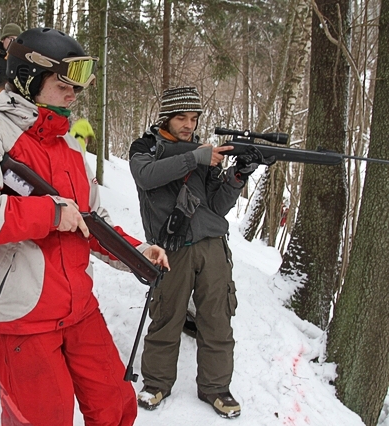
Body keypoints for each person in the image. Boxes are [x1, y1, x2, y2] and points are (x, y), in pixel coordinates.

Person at [0, 28, 170, 426]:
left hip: (79, 305)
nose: (72, 96)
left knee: (115, 405)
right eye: (63, 85)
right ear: (28, 78)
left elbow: (91, 221)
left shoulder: (70, 147)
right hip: (23, 313)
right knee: (45, 418)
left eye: (76, 88)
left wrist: (137, 252)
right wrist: (49, 213)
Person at [129, 86, 264, 418]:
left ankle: (215, 388)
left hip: (213, 246)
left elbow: (217, 205)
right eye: (181, 118)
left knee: (217, 320)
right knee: (167, 317)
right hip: (171, 249)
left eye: (193, 118)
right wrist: (196, 157)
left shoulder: (203, 152)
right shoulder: (146, 148)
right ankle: (156, 383)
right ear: (166, 118)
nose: (188, 125)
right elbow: (146, 177)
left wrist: (237, 176)